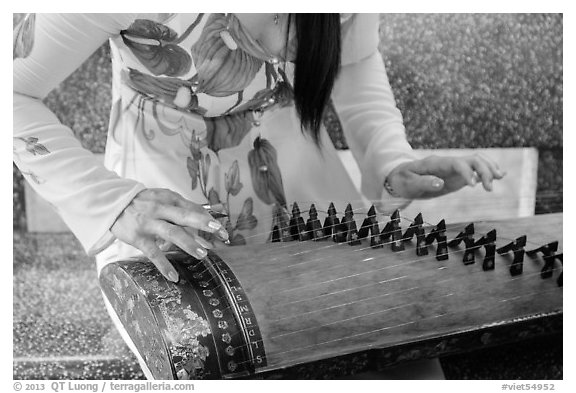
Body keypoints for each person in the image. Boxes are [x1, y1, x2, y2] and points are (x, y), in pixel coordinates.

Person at [13, 13, 504, 379]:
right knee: (212, 353)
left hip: (294, 169)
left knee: (395, 357)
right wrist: (113, 202)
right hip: (166, 187)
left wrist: (392, 159)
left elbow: (355, 60)